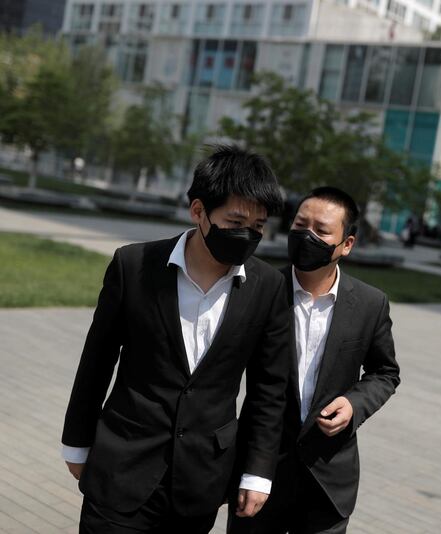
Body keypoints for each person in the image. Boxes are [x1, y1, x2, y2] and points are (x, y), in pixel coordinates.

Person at [61, 146, 292, 533]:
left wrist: (257, 471)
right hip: (121, 467)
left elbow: (269, 390)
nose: (247, 234)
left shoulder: (268, 287)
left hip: (200, 481)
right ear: (199, 211)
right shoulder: (134, 265)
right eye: (235, 220)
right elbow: (97, 360)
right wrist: (76, 442)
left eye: (257, 226)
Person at [229, 186, 400, 534]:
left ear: (347, 244)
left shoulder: (370, 304)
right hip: (260, 473)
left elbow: (385, 373)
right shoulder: (257, 288)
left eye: (321, 231)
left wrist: (354, 405)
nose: (307, 236)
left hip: (328, 480)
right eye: (300, 225)